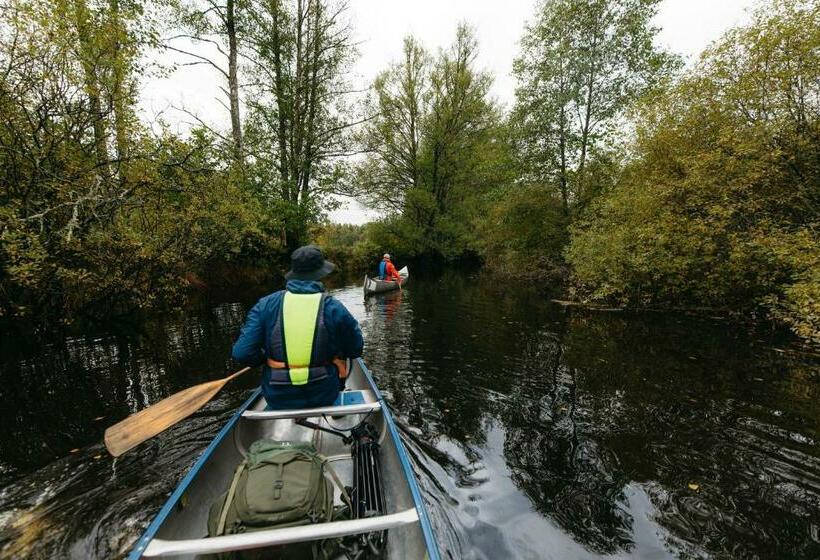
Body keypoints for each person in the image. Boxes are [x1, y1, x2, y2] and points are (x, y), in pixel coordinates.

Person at [232, 245, 363, 410]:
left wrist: (267, 359)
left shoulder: (265, 305)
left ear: (293, 273)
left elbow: (242, 353)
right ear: (321, 274)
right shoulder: (334, 307)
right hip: (323, 394)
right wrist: (335, 354)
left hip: (277, 397)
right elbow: (355, 349)